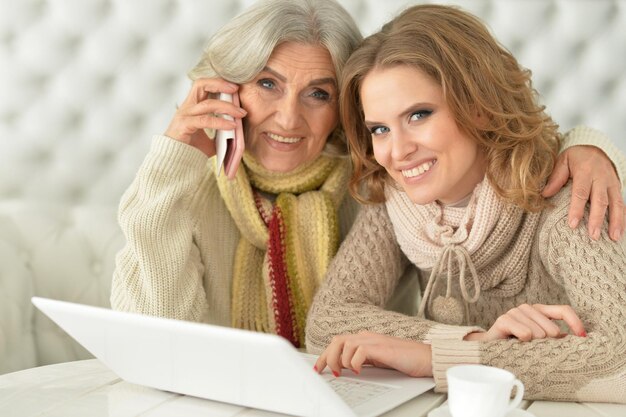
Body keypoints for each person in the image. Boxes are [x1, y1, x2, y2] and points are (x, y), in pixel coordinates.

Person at [110, 0, 622, 349]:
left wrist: (590, 147)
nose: (289, 119)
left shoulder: (372, 182)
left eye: (318, 93)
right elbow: (155, 344)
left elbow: (505, 141)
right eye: (267, 83)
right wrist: (173, 161)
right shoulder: (183, 192)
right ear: (228, 88)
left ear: (344, 110)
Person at [307, 4, 626, 403]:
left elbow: (620, 359)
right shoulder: (395, 199)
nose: (398, 151)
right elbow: (328, 322)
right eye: (380, 129)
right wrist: (470, 342)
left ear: (477, 105)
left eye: (419, 115)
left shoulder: (568, 198)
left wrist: (438, 359)